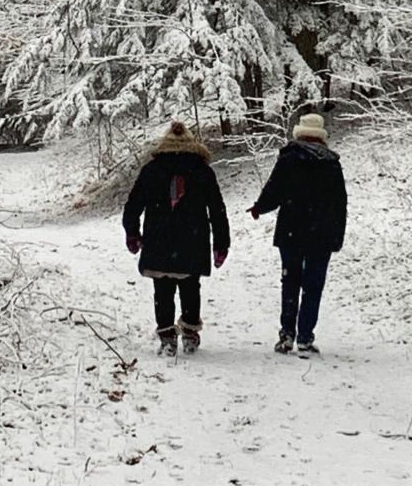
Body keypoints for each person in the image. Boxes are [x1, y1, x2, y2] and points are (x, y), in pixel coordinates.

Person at [122, 120, 230, 356]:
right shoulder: (202, 171)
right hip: (193, 238)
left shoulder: (152, 170)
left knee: (162, 289)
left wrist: (132, 233)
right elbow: (217, 209)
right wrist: (221, 244)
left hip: (159, 237)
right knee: (190, 286)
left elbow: (134, 204)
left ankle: (167, 335)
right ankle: (190, 333)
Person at [249, 112, 347, 357]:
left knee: (290, 282)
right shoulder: (331, 163)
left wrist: (260, 207)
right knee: (313, 285)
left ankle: (287, 334)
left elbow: (275, 189)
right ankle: (305, 336)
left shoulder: (289, 159)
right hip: (321, 234)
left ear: (299, 133)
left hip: (292, 230)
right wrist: (337, 236)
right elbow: (340, 203)